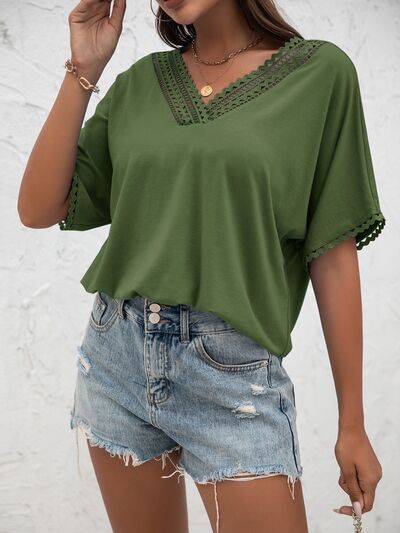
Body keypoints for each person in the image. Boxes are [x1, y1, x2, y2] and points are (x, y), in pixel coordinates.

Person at [17, 0, 385, 531]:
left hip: (234, 377)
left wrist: (352, 423)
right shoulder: (141, 83)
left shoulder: (321, 75)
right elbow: (37, 208)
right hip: (117, 359)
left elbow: (333, 252)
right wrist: (84, 69)